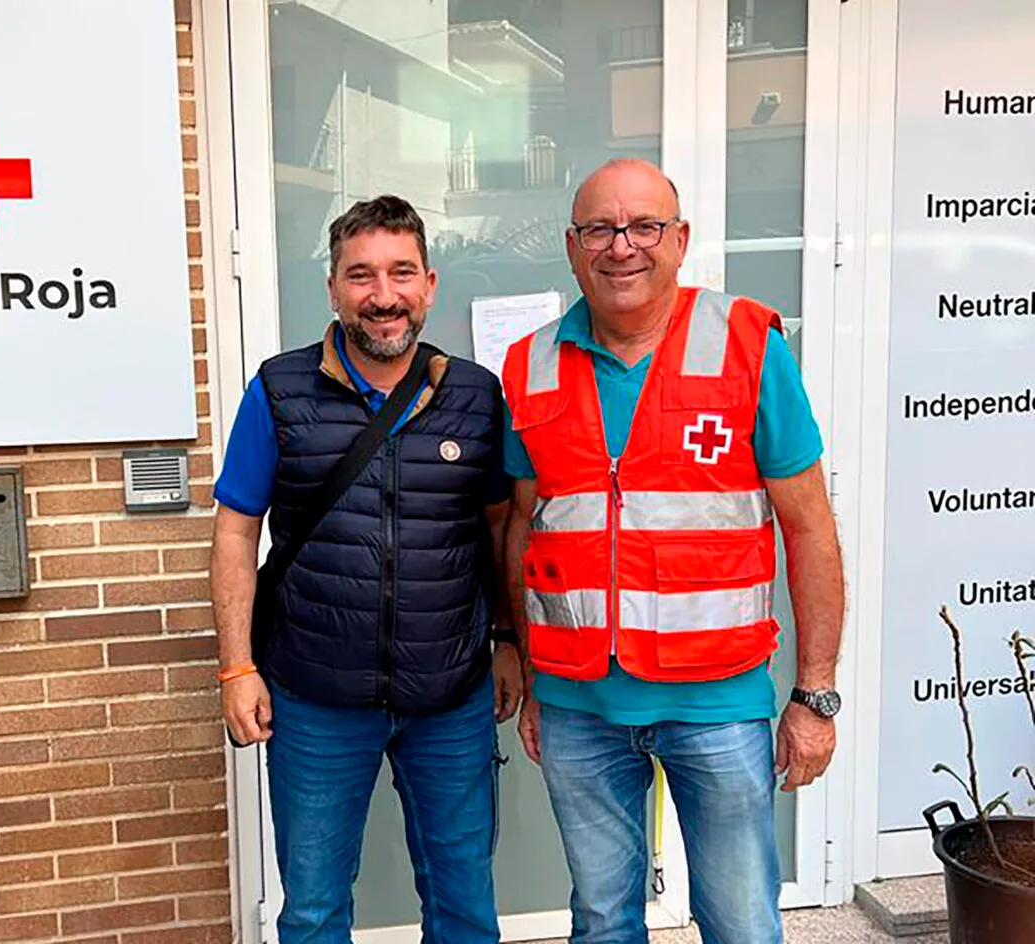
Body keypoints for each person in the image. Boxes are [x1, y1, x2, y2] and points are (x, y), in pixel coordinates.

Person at [501, 159, 845, 944]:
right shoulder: (529, 365)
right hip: (579, 709)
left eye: (644, 226)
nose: (622, 247)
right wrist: (525, 661)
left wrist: (815, 694)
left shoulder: (748, 345)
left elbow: (810, 528)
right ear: (572, 245)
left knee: (742, 925)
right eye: (600, 228)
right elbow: (523, 530)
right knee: (600, 922)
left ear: (680, 239)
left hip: (717, 706)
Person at [210, 195, 523, 943]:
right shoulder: (278, 392)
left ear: (430, 284)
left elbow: (501, 530)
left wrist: (510, 639)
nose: (383, 296)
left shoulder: (476, 395)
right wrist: (235, 667)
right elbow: (234, 531)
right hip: (314, 696)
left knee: (464, 907)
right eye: (361, 275)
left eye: (400, 273)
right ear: (333, 288)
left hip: (451, 696)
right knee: (315, 911)